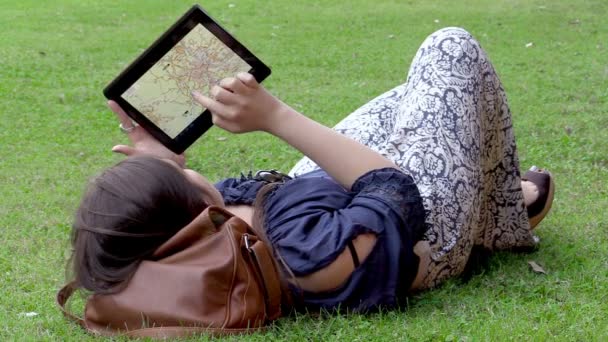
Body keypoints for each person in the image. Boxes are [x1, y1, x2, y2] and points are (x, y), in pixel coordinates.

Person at [69, 27, 554, 313]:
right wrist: (274, 117)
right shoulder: (306, 253)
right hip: (423, 225)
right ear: (193, 214)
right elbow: (392, 187)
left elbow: (172, 215)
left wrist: (168, 166)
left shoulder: (208, 237)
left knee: (412, 101)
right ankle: (496, 216)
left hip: (321, 196)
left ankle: (491, 199)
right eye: (177, 180)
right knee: (450, 50)